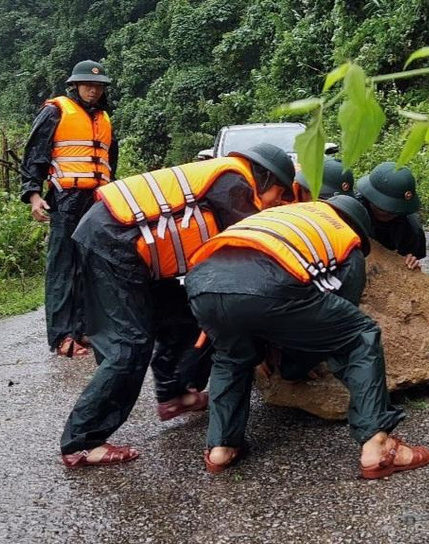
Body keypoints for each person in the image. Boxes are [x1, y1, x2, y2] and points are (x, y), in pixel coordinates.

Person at [60, 143, 296, 468]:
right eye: (279, 195)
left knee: (187, 315)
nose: (276, 203)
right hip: (112, 241)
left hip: (133, 251)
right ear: (267, 178)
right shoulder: (234, 183)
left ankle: (173, 394)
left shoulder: (227, 177)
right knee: (130, 345)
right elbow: (253, 246)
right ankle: (82, 441)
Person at [185, 196, 429, 479]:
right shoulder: (346, 239)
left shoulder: (291, 214)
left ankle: (221, 447)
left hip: (201, 284)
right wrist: (295, 365)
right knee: (359, 333)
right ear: (359, 228)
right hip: (265, 285)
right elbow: (336, 324)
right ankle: (378, 445)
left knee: (230, 358)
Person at [20, 60, 118, 357]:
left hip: (96, 200)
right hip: (65, 199)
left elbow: (109, 164)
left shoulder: (104, 118)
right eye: (88, 85)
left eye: (98, 86)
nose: (93, 90)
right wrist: (34, 195)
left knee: (91, 266)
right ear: (75, 85)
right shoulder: (55, 111)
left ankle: (84, 329)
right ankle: (62, 337)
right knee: (63, 267)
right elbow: (35, 155)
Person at [355, 162, 426, 270]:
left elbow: (411, 258)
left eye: (393, 210)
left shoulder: (412, 229)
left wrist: (410, 262)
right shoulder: (353, 211)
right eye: (382, 208)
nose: (387, 213)